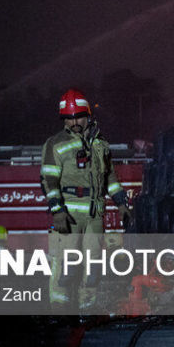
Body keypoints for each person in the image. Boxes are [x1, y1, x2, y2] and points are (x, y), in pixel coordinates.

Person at [39, 88, 132, 312]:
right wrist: (57, 211)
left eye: (78, 116)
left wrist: (122, 205)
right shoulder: (55, 144)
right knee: (65, 267)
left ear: (88, 115)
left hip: (95, 215)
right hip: (68, 215)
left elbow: (110, 178)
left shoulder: (101, 144)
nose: (74, 122)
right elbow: (48, 181)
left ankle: (86, 311)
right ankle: (59, 311)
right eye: (69, 118)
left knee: (92, 268)